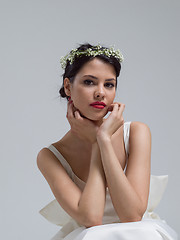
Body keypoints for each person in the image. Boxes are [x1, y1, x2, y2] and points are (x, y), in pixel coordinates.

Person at [37, 43, 178, 240]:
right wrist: (96, 144)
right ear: (68, 87)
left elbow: (132, 215)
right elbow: (91, 219)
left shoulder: (137, 132)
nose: (101, 93)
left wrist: (103, 139)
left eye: (109, 84)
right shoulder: (50, 156)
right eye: (89, 82)